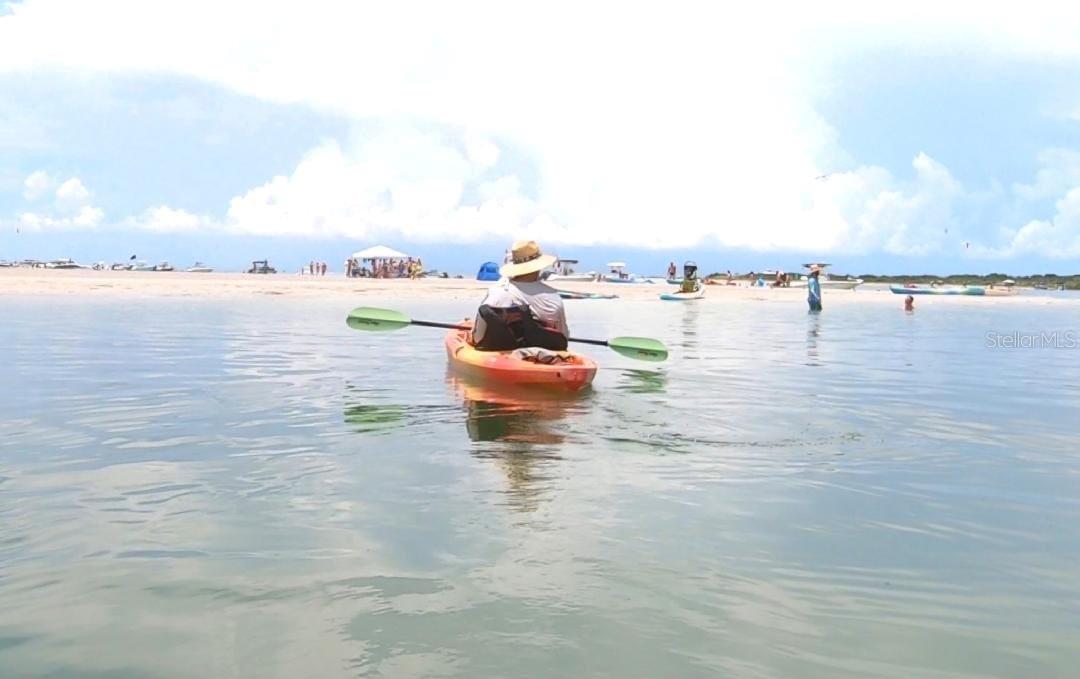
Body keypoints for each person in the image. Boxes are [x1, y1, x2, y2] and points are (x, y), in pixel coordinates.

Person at [473, 240, 568, 351]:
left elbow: (478, 336)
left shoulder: (498, 291)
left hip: (501, 347)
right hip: (545, 349)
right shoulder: (553, 297)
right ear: (539, 265)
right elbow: (563, 336)